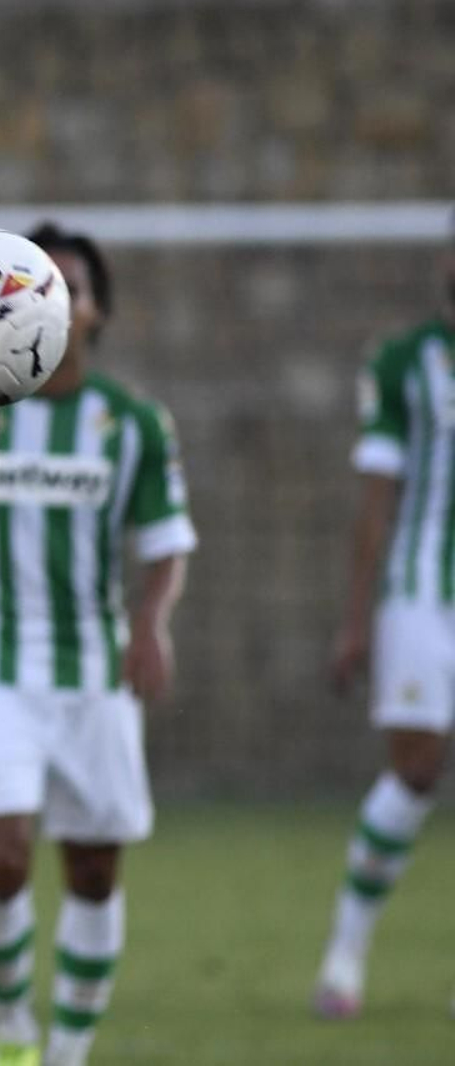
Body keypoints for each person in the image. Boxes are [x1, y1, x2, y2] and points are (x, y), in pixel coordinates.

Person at [0, 222, 196, 1066]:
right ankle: (10, 1030)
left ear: (96, 312)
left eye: (75, 287)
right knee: (1, 856)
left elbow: (166, 540)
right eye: (44, 284)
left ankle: (67, 1049)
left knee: (95, 871)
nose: (59, 300)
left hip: (95, 674)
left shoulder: (133, 423)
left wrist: (152, 625)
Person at [313, 215, 455, 1021]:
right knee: (415, 769)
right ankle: (346, 954)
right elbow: (375, 500)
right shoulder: (406, 362)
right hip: (422, 593)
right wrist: (355, 619)